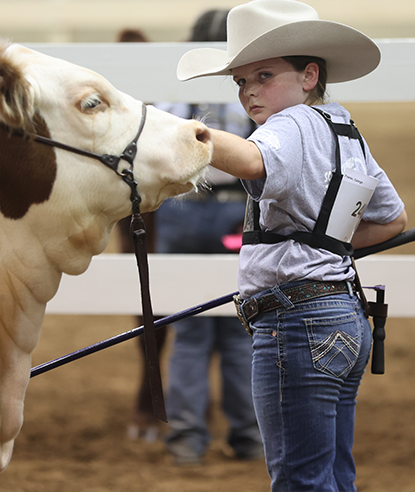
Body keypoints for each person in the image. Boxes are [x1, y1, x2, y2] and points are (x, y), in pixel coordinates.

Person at [176, 0, 407, 490]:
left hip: (296, 324)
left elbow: (253, 161)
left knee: (301, 481)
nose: (250, 92)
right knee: (334, 475)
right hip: (343, 318)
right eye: (241, 82)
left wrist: (184, 134)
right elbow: (392, 219)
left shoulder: (289, 124)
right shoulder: (345, 130)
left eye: (263, 75)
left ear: (309, 76)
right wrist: (322, 250)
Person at [155, 9, 263, 466]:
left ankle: (186, 438)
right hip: (233, 213)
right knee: (241, 332)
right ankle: (248, 437)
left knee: (189, 331)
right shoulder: (249, 90)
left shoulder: (170, 89)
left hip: (182, 211)